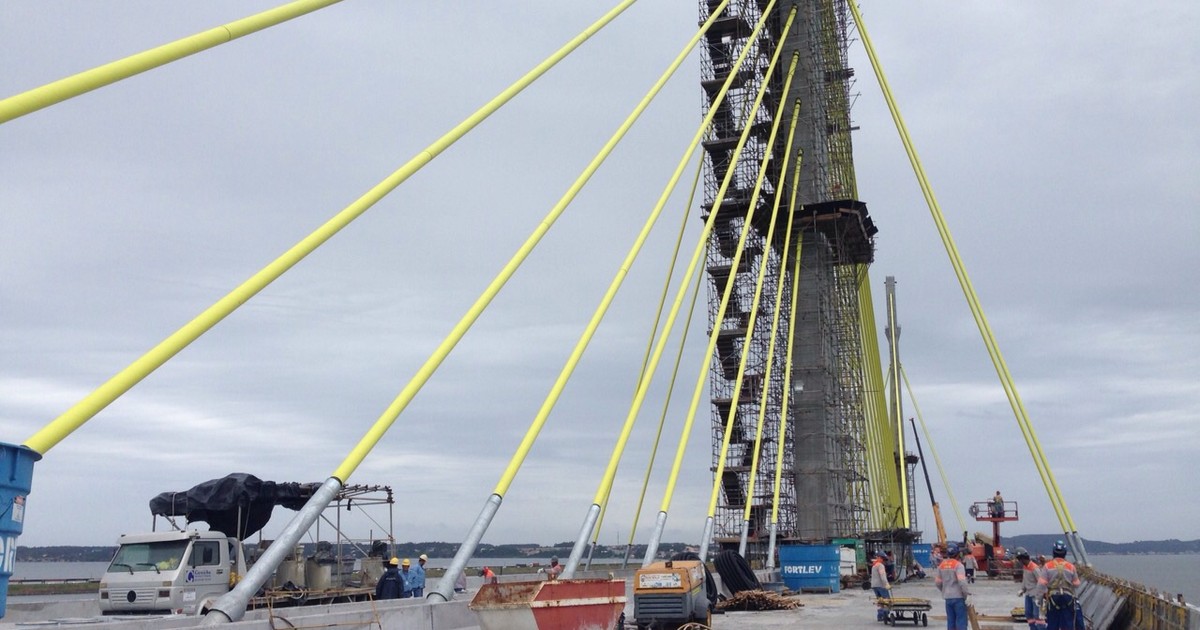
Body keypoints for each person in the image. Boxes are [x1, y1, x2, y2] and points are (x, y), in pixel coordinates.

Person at [1041, 541, 1082, 630]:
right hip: (1068, 598)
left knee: (1052, 623)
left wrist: (1041, 596)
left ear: (1053, 552)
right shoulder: (1071, 566)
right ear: (1065, 553)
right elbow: (1077, 583)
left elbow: (1042, 583)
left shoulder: (1047, 566)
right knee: (1068, 623)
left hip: (1053, 598)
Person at [935, 543, 971, 630]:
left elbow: (937, 583)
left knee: (951, 622)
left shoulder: (941, 565)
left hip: (948, 598)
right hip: (958, 598)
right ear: (958, 554)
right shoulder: (958, 565)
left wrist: (944, 590)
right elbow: (962, 582)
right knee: (961, 622)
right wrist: (967, 594)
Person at [1015, 548, 1047, 630]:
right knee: (1028, 614)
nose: (1019, 561)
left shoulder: (1034, 568)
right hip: (1028, 594)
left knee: (1037, 615)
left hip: (1035, 595)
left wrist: (1041, 596)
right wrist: (1022, 589)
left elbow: (1041, 582)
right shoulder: (1025, 567)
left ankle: (1042, 628)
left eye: (1019, 559)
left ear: (1022, 558)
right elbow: (1025, 580)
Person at [870, 550, 893, 621]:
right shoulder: (880, 565)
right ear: (881, 558)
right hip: (881, 586)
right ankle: (885, 616)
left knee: (880, 601)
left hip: (874, 586)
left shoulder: (874, 565)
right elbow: (883, 576)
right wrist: (887, 584)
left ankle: (880, 616)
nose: (884, 561)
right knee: (886, 601)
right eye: (883, 559)